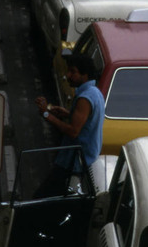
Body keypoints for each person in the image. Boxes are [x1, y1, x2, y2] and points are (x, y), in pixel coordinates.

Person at [34, 54, 105, 197]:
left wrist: (47, 115)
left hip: (74, 162)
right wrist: (67, 113)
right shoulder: (95, 92)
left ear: (85, 75)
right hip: (82, 158)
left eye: (73, 72)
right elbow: (87, 120)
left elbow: (73, 131)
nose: (67, 75)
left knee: (41, 198)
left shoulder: (85, 98)